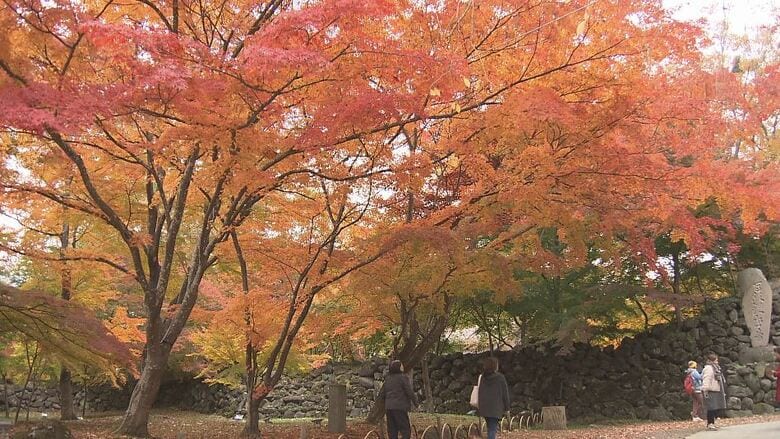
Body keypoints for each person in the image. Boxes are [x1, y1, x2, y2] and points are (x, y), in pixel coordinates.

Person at [377, 360, 417, 439]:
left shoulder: (388, 379)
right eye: (401, 365)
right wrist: (415, 402)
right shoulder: (403, 378)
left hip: (389, 407)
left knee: (392, 430)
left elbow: (382, 393)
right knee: (405, 429)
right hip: (400, 407)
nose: (402, 367)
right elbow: (409, 391)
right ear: (398, 368)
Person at [477, 357, 511, 439]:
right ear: (496, 366)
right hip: (495, 408)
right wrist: (507, 408)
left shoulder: (482, 377)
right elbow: (505, 394)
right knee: (492, 429)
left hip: (484, 407)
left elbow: (480, 391)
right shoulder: (500, 378)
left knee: (490, 428)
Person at [701, 353, 727, 430]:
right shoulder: (709, 368)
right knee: (711, 407)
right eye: (716, 360)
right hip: (710, 390)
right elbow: (707, 378)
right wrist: (705, 389)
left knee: (715, 407)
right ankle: (710, 423)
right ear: (712, 361)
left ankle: (712, 422)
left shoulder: (716, 368)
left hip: (716, 389)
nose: (717, 362)